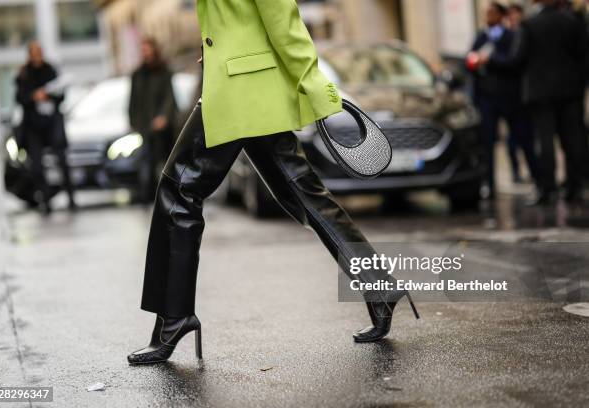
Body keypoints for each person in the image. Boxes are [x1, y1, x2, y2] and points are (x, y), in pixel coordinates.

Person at [127, 0, 419, 365]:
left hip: (241, 92)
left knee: (178, 190)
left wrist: (317, 88)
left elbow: (284, 20)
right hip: (243, 85)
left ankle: (174, 317)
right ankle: (379, 286)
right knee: (302, 193)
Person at [487, 0, 588, 204]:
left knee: (544, 141)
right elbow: (584, 56)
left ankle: (547, 187)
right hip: (569, 90)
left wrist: (491, 60)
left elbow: (517, 58)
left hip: (540, 93)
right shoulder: (571, 21)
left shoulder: (530, 24)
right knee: (572, 140)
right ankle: (575, 185)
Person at [468, 2, 538, 199]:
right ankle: (489, 185)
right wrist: (473, 63)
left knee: (523, 139)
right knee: (488, 144)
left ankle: (539, 179)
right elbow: (469, 61)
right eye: (486, 13)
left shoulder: (512, 36)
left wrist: (490, 60)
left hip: (510, 98)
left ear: (501, 15)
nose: (488, 17)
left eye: (492, 13)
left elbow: (515, 62)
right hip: (486, 100)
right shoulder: (481, 37)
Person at [15, 41, 75, 214]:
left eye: (39, 52)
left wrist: (48, 95)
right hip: (33, 127)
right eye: (34, 52)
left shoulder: (51, 70)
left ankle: (71, 197)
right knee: (37, 167)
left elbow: (61, 95)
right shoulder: (24, 74)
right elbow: (20, 99)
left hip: (51, 123)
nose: (37, 55)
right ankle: (45, 200)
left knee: (62, 160)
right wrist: (34, 96)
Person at [129, 38, 179, 201]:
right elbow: (133, 101)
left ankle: (170, 193)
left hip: (164, 128)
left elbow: (169, 98)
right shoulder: (137, 74)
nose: (145, 53)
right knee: (146, 162)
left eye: (147, 49)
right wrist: (133, 122)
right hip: (145, 126)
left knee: (167, 161)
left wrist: (164, 117)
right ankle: (148, 195)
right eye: (143, 50)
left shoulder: (164, 72)